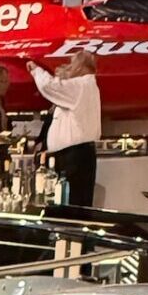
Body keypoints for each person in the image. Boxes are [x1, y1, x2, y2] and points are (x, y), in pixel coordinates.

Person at [27, 51, 102, 207]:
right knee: (76, 203)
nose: (70, 68)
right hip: (76, 156)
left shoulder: (80, 86)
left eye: (72, 64)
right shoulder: (87, 86)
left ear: (80, 66)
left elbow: (50, 86)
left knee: (71, 204)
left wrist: (36, 70)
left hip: (74, 158)